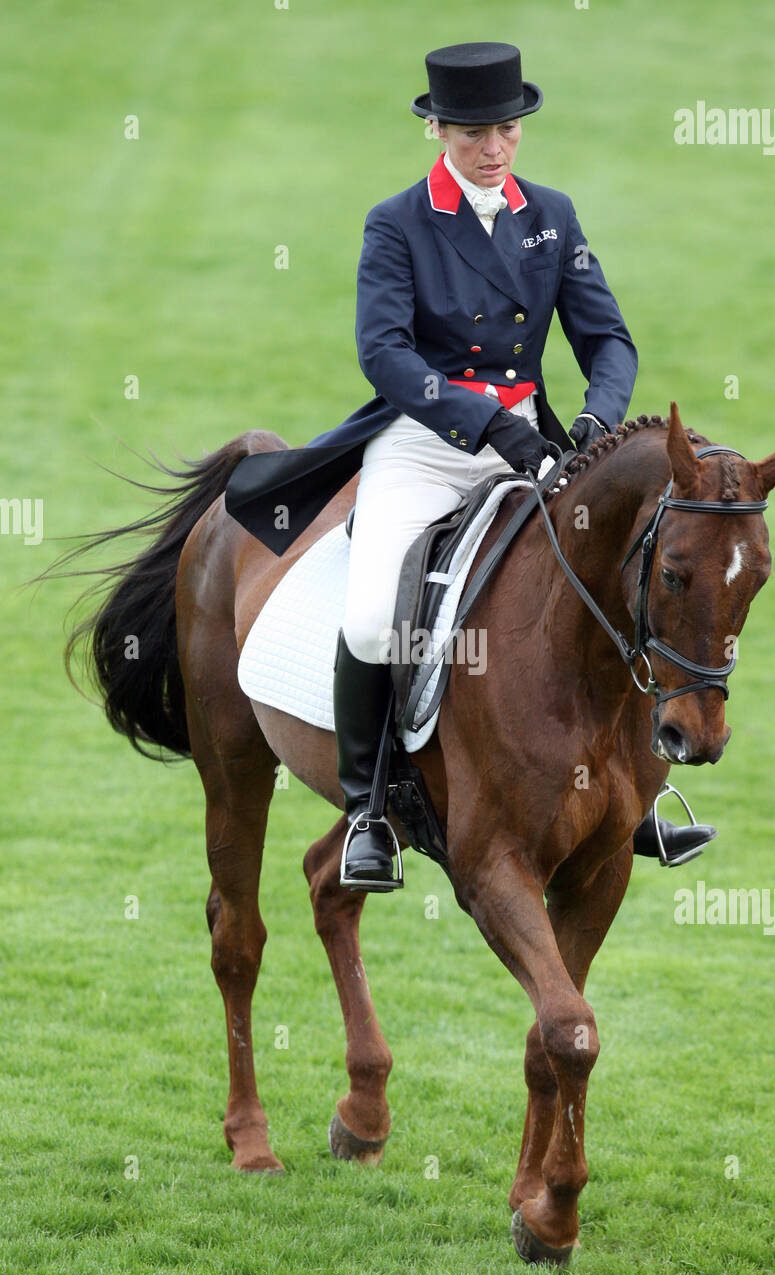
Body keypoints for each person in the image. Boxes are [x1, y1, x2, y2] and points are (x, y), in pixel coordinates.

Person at [225, 41, 716, 889]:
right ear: (439, 131)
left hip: (533, 439)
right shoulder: (398, 223)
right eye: (477, 133)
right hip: (424, 443)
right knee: (380, 616)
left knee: (615, 580)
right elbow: (384, 354)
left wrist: (596, 420)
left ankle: (632, 794)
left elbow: (607, 338)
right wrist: (484, 422)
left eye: (509, 130)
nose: (495, 149)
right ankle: (370, 810)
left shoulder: (553, 215)